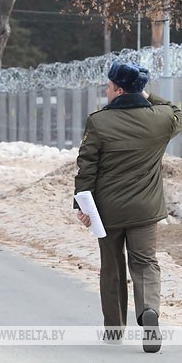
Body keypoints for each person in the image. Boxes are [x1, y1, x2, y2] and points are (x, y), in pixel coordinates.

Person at [74, 61, 182, 352]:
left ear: (119, 89)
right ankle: (149, 312)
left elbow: (86, 168)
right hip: (146, 210)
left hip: (107, 211)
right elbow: (177, 113)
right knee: (145, 262)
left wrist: (82, 205)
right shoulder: (160, 119)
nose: (106, 91)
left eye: (109, 87)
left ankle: (114, 328)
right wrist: (147, 95)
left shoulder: (99, 121)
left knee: (112, 266)